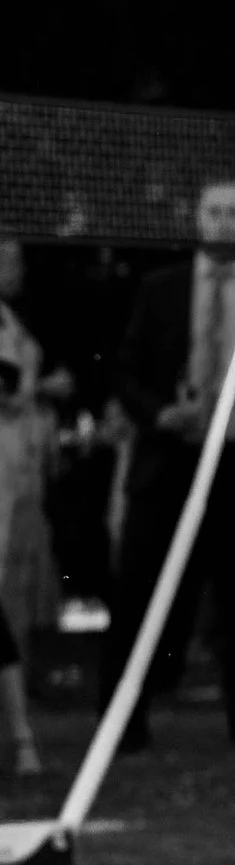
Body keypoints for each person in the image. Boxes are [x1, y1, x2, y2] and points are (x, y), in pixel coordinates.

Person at [103, 179, 235, 750]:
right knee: (141, 591)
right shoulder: (161, 290)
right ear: (197, 220)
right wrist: (160, 415)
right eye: (213, 212)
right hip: (170, 463)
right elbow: (126, 373)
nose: (224, 222)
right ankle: (123, 721)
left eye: (234, 213)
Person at [0, 233, 63, 758]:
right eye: (9, 258)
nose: (16, 268)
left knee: (13, 591)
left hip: (20, 471)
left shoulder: (12, 323)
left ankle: (17, 729)